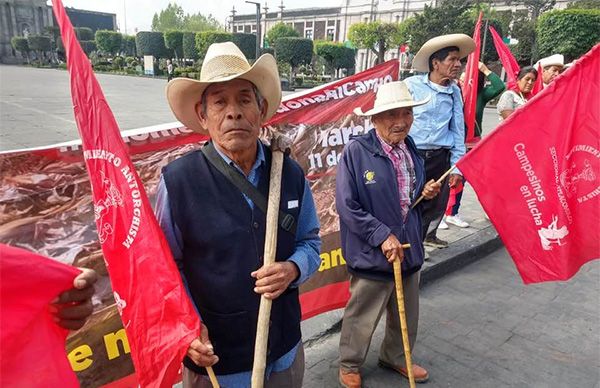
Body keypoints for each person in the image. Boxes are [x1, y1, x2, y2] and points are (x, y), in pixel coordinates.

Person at [157, 42, 321, 387]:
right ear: (203, 117)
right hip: (219, 361)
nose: (234, 112)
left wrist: (293, 269)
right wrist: (187, 329)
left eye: (244, 100)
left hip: (285, 350)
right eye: (220, 102)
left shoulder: (289, 173)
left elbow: (310, 241)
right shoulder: (179, 183)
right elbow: (165, 272)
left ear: (261, 110)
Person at [336, 81, 441, 388]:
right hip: (372, 252)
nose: (401, 121)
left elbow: (407, 201)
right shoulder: (357, 152)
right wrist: (381, 235)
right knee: (362, 313)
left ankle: (395, 356)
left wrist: (425, 192)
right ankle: (349, 363)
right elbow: (347, 205)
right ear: (375, 119)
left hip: (408, 246)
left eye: (406, 113)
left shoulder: (410, 148)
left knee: (405, 311)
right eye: (392, 114)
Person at [404, 34, 474, 248]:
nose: (458, 65)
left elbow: (457, 130)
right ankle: (408, 242)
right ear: (436, 63)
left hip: (440, 157)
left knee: (435, 203)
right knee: (409, 201)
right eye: (452, 59)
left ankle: (421, 241)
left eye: (459, 60)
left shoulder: (454, 91)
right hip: (412, 155)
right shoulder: (412, 85)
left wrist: (457, 168)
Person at [439, 62, 505, 230]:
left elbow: (499, 86)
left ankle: (453, 213)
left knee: (462, 180)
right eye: (462, 75)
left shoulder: (481, 95)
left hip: (473, 144)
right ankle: (438, 216)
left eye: (468, 77)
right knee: (446, 179)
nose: (463, 78)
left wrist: (483, 68)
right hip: (453, 143)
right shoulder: (454, 92)